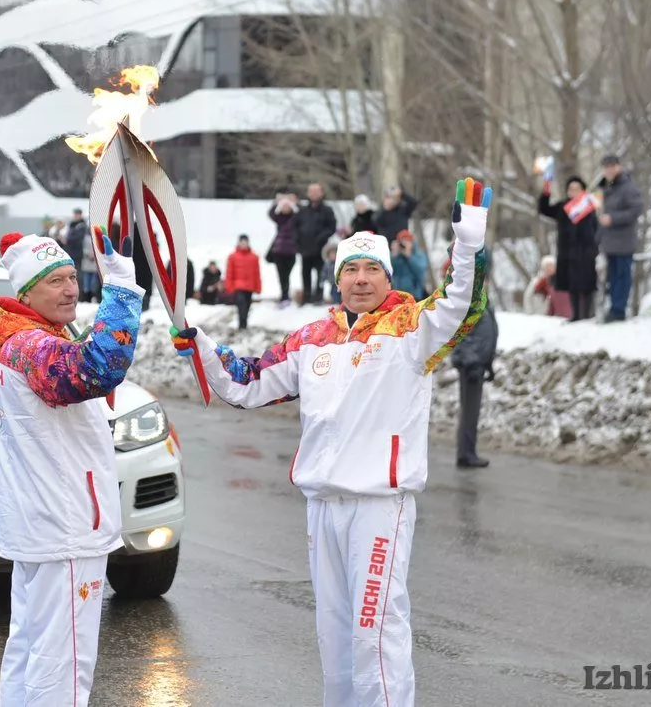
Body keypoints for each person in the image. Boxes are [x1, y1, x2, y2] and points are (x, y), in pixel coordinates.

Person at [171, 179, 492, 706]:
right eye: (351, 269)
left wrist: (469, 240)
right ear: (337, 278)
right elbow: (248, 383)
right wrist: (203, 345)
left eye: (371, 269)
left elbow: (465, 302)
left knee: (375, 630)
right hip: (323, 506)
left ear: (387, 277)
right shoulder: (311, 339)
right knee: (335, 635)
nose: (360, 279)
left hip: (378, 507)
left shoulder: (413, 330)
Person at [0, 227, 144, 706]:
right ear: (27, 292)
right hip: (65, 527)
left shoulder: (20, 340)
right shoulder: (31, 347)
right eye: (56, 280)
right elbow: (95, 368)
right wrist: (120, 291)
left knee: (31, 647)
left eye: (74, 276)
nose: (72, 289)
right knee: (64, 663)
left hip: (43, 524)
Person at [451, 247, 497, 469]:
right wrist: (470, 361)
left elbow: (485, 335)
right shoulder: (470, 302)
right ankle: (466, 453)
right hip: (471, 366)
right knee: (469, 412)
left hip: (477, 364)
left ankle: (468, 451)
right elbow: (462, 335)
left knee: (472, 411)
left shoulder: (480, 300)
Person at [538, 175, 599, 321]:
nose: (573, 192)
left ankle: (587, 314)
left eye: (576, 189)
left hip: (585, 251)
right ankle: (575, 315)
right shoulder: (563, 207)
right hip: (567, 251)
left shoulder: (589, 207)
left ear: (583, 191)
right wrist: (546, 192)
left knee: (586, 283)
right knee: (571, 283)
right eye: (570, 189)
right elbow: (545, 210)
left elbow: (596, 229)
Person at [596, 154, 645, 322]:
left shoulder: (628, 188)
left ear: (618, 167)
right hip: (609, 240)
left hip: (624, 240)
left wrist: (613, 218)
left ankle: (619, 309)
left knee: (622, 275)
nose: (608, 170)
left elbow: (636, 210)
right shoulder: (605, 188)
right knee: (612, 276)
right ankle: (613, 308)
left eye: (611, 166)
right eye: (605, 167)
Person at [297, 183, 337, 305]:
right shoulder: (302, 210)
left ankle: (318, 296)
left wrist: (321, 237)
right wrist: (298, 241)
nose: (314, 194)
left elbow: (331, 227)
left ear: (321, 193)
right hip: (305, 248)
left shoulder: (327, 210)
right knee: (305, 272)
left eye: (316, 191)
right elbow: (295, 227)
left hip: (321, 248)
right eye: (311, 191)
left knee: (320, 273)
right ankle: (307, 295)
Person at [268, 193, 299, 308]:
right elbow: (271, 213)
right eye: (283, 206)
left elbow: (301, 213)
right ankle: (284, 296)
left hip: (291, 251)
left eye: (288, 206)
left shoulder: (295, 218)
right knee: (282, 276)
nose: (285, 208)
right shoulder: (279, 218)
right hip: (278, 252)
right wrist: (276, 202)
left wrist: (295, 202)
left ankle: (285, 295)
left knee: (287, 274)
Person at [225, 234, 262, 330]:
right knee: (241, 304)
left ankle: (244, 323)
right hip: (238, 286)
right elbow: (229, 272)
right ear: (239, 243)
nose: (243, 244)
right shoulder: (232, 256)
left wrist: (258, 287)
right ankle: (242, 325)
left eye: (245, 242)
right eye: (242, 242)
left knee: (247, 305)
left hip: (249, 287)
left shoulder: (254, 257)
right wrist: (229, 286)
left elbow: (257, 273)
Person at [390, 230, 428, 299]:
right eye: (402, 241)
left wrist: (409, 257)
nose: (404, 244)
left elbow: (421, 273)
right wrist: (394, 256)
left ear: (412, 242)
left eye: (407, 241)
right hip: (397, 295)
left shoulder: (418, 254)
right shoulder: (396, 256)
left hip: (415, 295)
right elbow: (390, 272)